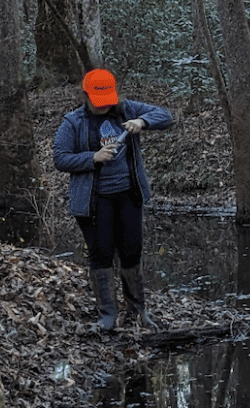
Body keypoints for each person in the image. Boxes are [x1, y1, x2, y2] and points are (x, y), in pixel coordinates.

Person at [53, 69, 173, 331]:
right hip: (94, 200)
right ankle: (108, 314)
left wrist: (142, 122)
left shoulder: (126, 109)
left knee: (132, 251)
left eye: (107, 100)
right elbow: (60, 158)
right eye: (98, 102)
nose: (104, 106)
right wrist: (92, 158)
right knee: (101, 253)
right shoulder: (73, 122)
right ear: (85, 96)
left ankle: (138, 310)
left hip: (129, 194)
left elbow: (165, 116)